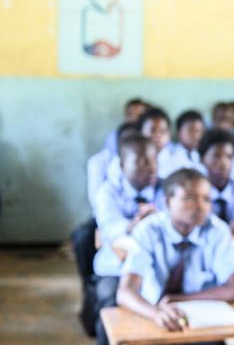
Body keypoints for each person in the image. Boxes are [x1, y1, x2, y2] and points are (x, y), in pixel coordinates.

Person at [116, 168, 234, 332]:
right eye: (189, 198)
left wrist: (180, 300)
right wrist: (156, 313)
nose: (200, 206)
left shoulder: (217, 230)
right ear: (167, 202)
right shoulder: (148, 230)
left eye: (206, 199)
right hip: (153, 313)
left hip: (202, 319)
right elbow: (125, 292)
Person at [91, 135, 165, 344]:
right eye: (141, 162)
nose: (150, 167)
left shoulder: (166, 189)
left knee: (166, 305)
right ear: (123, 165)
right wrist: (136, 224)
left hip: (154, 269)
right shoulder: (108, 191)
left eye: (153, 160)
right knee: (110, 309)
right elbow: (109, 230)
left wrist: (159, 220)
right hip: (115, 267)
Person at [157, 110, 206, 178]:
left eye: (199, 131)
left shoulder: (200, 155)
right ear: (179, 131)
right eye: (191, 130)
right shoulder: (168, 155)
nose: (196, 136)